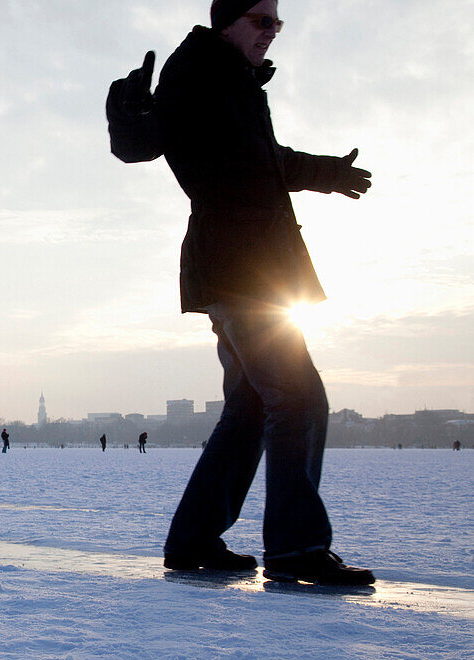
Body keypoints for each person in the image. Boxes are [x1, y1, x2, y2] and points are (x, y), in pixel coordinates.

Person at [107, 0, 375, 585]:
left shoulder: (232, 80)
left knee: (251, 408)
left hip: (245, 269)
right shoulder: (198, 71)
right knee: (299, 399)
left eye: (277, 22)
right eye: (260, 21)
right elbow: (142, 143)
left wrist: (328, 174)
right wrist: (125, 114)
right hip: (243, 270)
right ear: (227, 21)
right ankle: (296, 548)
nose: (270, 32)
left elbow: (261, 162)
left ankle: (195, 539)